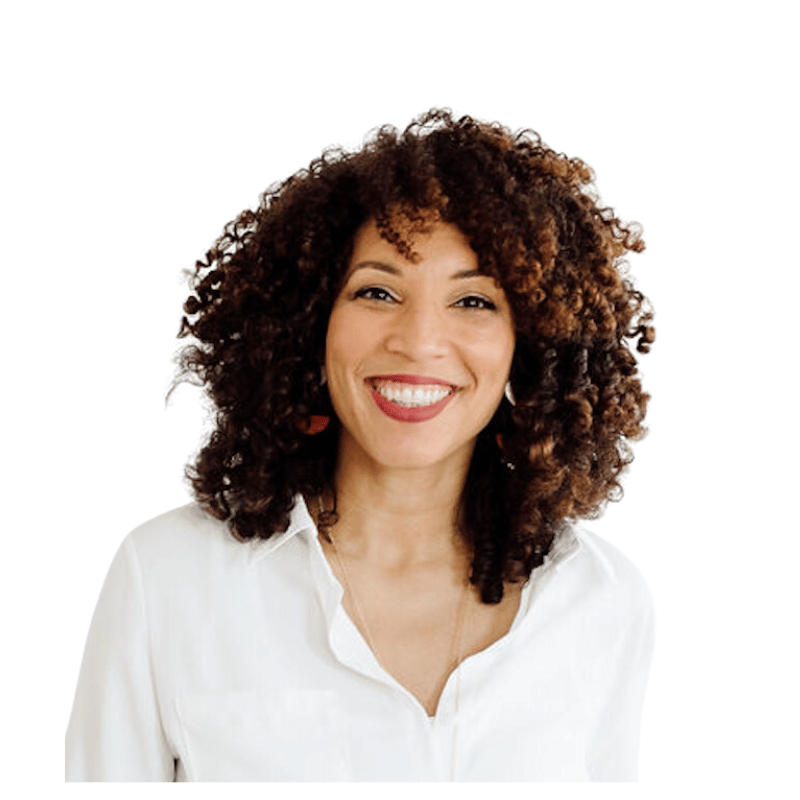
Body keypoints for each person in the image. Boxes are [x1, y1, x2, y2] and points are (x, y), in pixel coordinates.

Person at [66, 108, 656, 781]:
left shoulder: (600, 601)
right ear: (310, 324)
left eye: (474, 302)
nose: (419, 342)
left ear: (532, 346)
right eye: (377, 291)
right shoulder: (167, 579)